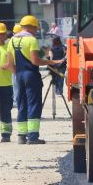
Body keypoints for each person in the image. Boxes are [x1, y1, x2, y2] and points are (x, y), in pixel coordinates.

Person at [10, 15, 59, 145]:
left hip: (19, 75)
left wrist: (18, 74)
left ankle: (21, 135)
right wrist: (52, 61)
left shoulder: (12, 41)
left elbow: (10, 63)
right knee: (34, 104)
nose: (36, 31)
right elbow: (35, 61)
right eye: (36, 28)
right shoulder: (31, 40)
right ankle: (32, 136)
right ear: (31, 27)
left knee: (21, 104)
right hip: (31, 75)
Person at [11, 23, 22, 109]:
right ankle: (16, 100)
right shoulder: (12, 41)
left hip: (17, 64)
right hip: (16, 64)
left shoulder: (11, 41)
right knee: (15, 83)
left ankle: (17, 100)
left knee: (16, 83)